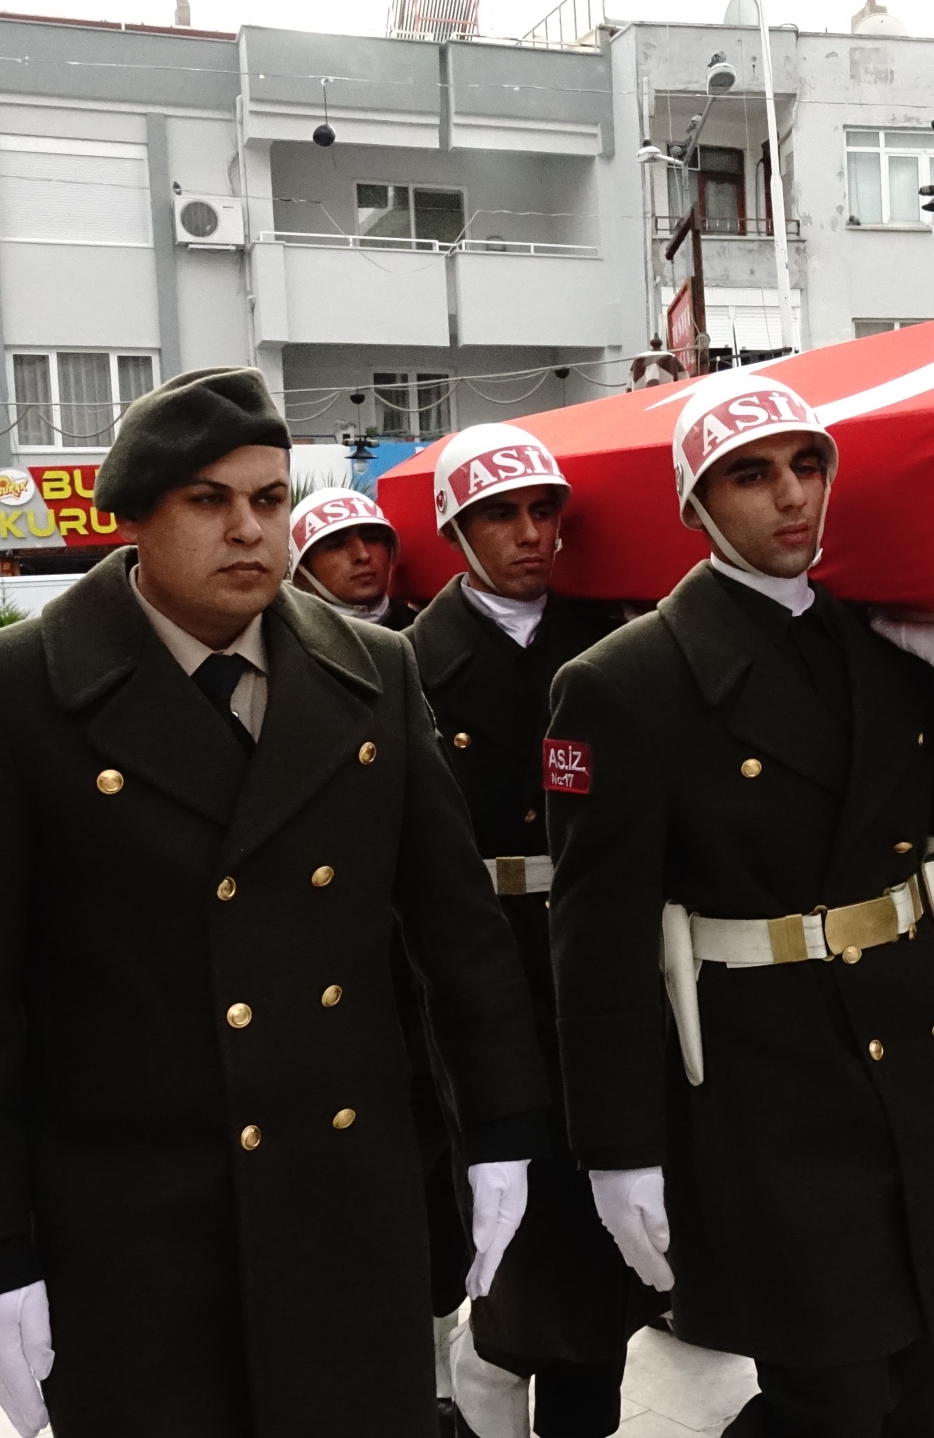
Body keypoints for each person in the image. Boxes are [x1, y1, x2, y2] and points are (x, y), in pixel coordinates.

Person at [0, 367, 553, 1438]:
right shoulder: (1, 694)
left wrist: (505, 1126)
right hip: (133, 1227)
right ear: (136, 515)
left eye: (270, 499)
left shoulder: (372, 671)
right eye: (209, 501)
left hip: (347, 1201)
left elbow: (455, 931)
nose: (250, 529)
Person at [543, 371, 934, 1438]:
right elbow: (597, 940)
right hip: (766, 1079)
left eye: (809, 467)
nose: (791, 496)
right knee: (831, 1393)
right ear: (695, 505)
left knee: (915, 1369)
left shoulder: (881, 639)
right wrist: (617, 1149)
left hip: (911, 1038)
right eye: (750, 476)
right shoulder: (627, 680)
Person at [404, 424, 648, 1438]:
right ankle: (493, 1359)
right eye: (501, 514)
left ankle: (556, 1393)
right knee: (519, 1207)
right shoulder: (407, 662)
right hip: (481, 962)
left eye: (544, 510)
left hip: (605, 948)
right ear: (457, 528)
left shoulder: (616, 634)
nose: (529, 532)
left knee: (604, 1220)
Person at [288, 486, 409, 629]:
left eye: (372, 538)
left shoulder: (428, 636)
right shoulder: (277, 644)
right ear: (303, 573)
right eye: (336, 544)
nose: (362, 555)